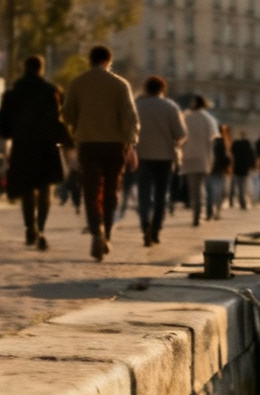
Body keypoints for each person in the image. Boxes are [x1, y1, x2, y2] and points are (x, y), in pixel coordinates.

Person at [61, 45, 139, 261]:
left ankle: (96, 230)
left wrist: (80, 125)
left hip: (88, 144)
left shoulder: (78, 83)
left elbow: (67, 115)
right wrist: (131, 145)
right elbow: (130, 119)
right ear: (108, 61)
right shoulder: (121, 85)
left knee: (91, 190)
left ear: (90, 61)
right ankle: (108, 232)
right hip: (115, 146)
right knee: (112, 189)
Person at [0, 55, 68, 251]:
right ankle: (41, 228)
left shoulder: (13, 92)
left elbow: (3, 124)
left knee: (27, 189)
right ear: (41, 69)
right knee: (45, 189)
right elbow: (58, 119)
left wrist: (11, 132)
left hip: (23, 146)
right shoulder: (51, 91)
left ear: (24, 67)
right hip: (46, 146)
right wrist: (66, 139)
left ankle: (30, 227)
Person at [133, 75, 185, 246]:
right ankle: (155, 230)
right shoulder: (171, 107)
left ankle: (144, 225)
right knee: (161, 196)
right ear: (163, 89)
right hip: (165, 157)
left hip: (142, 156)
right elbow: (180, 134)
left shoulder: (137, 105)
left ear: (146, 88)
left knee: (144, 194)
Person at [181, 95, 218, 226]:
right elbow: (211, 141)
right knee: (202, 187)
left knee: (193, 189)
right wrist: (211, 158)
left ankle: (195, 215)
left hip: (189, 157)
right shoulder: (208, 119)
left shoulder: (186, 117)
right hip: (203, 158)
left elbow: (180, 137)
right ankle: (201, 213)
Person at [209, 123, 232, 221]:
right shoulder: (220, 142)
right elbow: (225, 156)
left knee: (218, 192)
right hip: (219, 169)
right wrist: (227, 166)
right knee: (221, 192)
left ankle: (215, 211)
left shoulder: (218, 141)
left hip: (216, 169)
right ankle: (216, 211)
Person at [229, 129, 254, 210]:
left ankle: (231, 200)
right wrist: (251, 165)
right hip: (245, 169)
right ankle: (242, 203)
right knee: (242, 187)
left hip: (236, 168)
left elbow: (231, 154)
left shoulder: (235, 144)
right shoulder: (248, 144)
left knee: (234, 186)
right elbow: (251, 156)